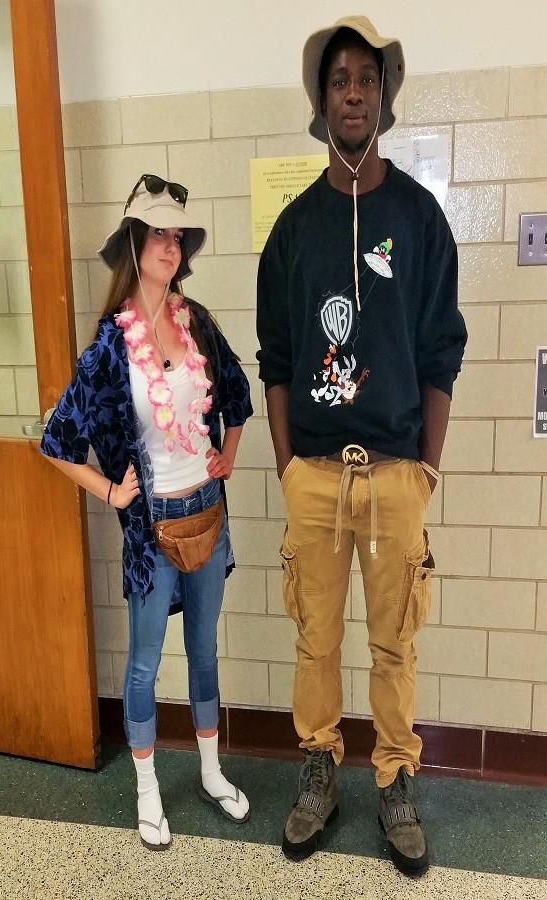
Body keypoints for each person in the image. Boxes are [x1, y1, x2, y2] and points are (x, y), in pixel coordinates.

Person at [256, 16, 467, 876]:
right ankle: (319, 767)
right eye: (340, 79)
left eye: (367, 80)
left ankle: (393, 778)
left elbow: (441, 349)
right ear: (322, 98)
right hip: (313, 475)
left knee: (394, 643)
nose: (353, 92)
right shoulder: (295, 228)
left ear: (383, 97)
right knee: (315, 638)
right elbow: (273, 357)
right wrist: (284, 465)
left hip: (394, 476)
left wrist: (427, 466)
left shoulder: (417, 220)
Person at [41, 174, 253, 850]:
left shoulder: (199, 324)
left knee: (204, 654)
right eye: (157, 232)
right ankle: (147, 789)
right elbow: (57, 441)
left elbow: (239, 395)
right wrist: (111, 493)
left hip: (207, 513)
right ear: (134, 244)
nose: (170, 243)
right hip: (151, 528)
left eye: (176, 235)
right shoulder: (110, 348)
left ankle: (213, 774)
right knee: (143, 662)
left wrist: (228, 453)